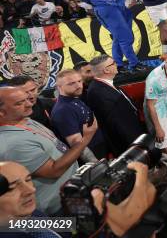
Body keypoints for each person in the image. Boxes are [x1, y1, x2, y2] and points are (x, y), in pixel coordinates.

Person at [0, 86, 98, 215]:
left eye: (27, 99)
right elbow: (54, 170)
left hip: (73, 193)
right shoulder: (12, 143)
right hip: (59, 207)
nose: (29, 104)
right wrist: (85, 139)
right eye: (19, 103)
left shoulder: (25, 120)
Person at [87, 55, 146, 156]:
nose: (117, 64)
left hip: (135, 133)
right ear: (106, 70)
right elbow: (117, 122)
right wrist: (136, 146)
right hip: (129, 144)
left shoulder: (106, 84)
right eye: (113, 63)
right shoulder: (98, 92)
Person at [51, 69, 107, 161]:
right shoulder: (63, 110)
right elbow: (77, 146)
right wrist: (97, 165)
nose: (78, 86)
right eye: (71, 83)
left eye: (79, 81)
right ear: (59, 87)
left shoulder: (73, 98)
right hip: (92, 156)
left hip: (99, 149)